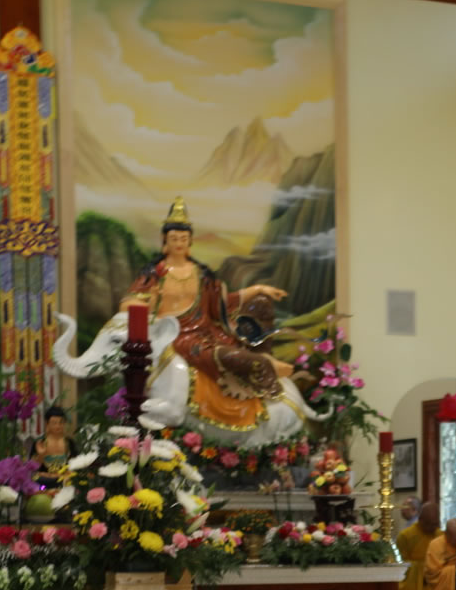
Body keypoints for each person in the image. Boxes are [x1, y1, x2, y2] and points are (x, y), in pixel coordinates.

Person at [121, 197, 290, 433]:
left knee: (260, 304)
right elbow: (129, 304)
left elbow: (222, 303)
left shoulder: (201, 274)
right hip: (178, 338)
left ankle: (265, 358)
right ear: (165, 241)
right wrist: (148, 307)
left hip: (208, 333)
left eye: (183, 239)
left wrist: (258, 289)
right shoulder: (154, 274)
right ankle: (262, 370)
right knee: (241, 359)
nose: (179, 243)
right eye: (174, 238)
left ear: (190, 241)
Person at [396, 499, 442, 590]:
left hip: (435, 587)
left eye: (435, 523)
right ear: (420, 519)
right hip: (412, 589)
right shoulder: (406, 536)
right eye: (429, 523)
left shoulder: (441, 536)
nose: (432, 527)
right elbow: (401, 564)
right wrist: (421, 567)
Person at [30, 406, 79, 488]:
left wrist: (67, 474)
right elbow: (32, 468)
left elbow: (76, 464)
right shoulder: (40, 443)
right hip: (44, 482)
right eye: (54, 423)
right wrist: (41, 455)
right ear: (47, 424)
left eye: (61, 422)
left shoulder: (69, 442)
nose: (58, 426)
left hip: (64, 481)